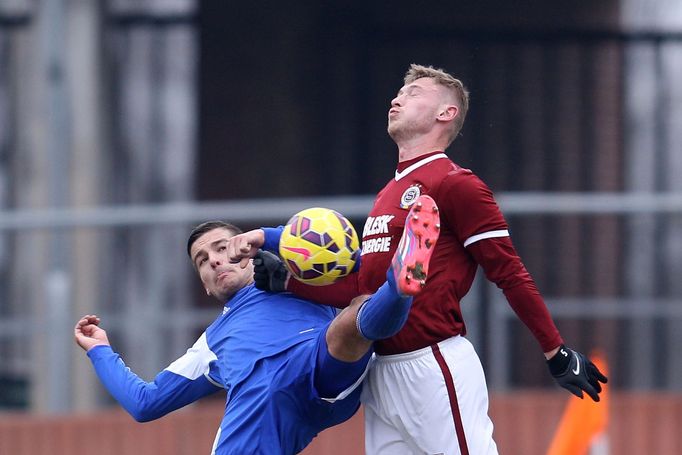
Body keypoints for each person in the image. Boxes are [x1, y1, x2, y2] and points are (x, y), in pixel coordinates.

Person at [228, 64, 607, 454]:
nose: (396, 98)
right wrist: (290, 284)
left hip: (433, 363)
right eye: (398, 92)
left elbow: (509, 272)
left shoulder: (456, 183)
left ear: (446, 113)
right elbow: (361, 290)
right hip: (379, 369)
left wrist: (555, 352)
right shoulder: (386, 194)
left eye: (413, 93)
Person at [74, 195, 441, 455]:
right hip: (264, 417)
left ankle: (401, 278)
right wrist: (100, 350)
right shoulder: (211, 343)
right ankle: (398, 283)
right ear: (203, 283)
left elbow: (346, 260)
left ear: (247, 253)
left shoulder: (304, 276)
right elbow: (145, 403)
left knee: (353, 318)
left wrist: (270, 238)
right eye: (202, 260)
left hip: (319, 368)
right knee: (349, 323)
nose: (214, 261)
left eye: (221, 248)